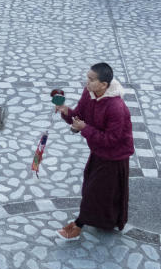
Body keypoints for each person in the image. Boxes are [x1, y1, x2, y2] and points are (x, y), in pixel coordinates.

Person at [56, 62, 134, 240]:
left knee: (94, 191)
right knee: (100, 190)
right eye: (87, 78)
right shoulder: (89, 93)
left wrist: (84, 128)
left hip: (115, 156)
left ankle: (78, 226)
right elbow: (79, 116)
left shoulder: (116, 108)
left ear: (104, 85)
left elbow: (111, 140)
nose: (86, 82)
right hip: (98, 151)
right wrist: (65, 110)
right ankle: (108, 221)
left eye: (91, 80)